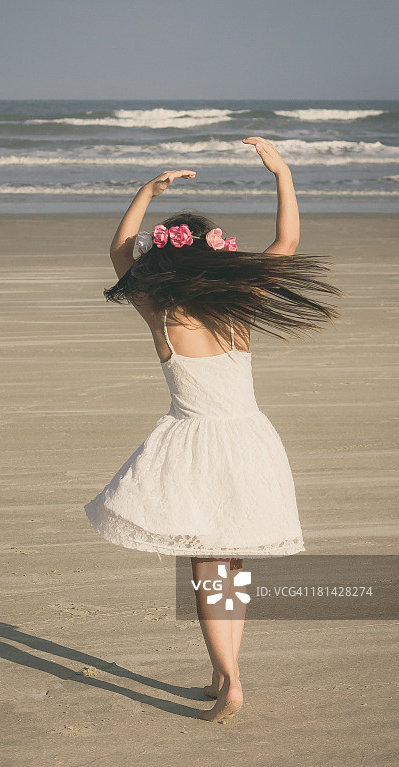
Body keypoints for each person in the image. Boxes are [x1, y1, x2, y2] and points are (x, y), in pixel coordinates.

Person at [83, 136, 342, 723]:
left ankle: (231, 680)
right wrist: (282, 173)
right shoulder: (238, 303)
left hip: (194, 445)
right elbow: (287, 242)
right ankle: (226, 672)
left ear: (163, 262)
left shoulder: (159, 311)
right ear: (214, 259)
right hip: (251, 440)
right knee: (233, 562)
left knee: (205, 565)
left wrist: (146, 191)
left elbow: (120, 250)